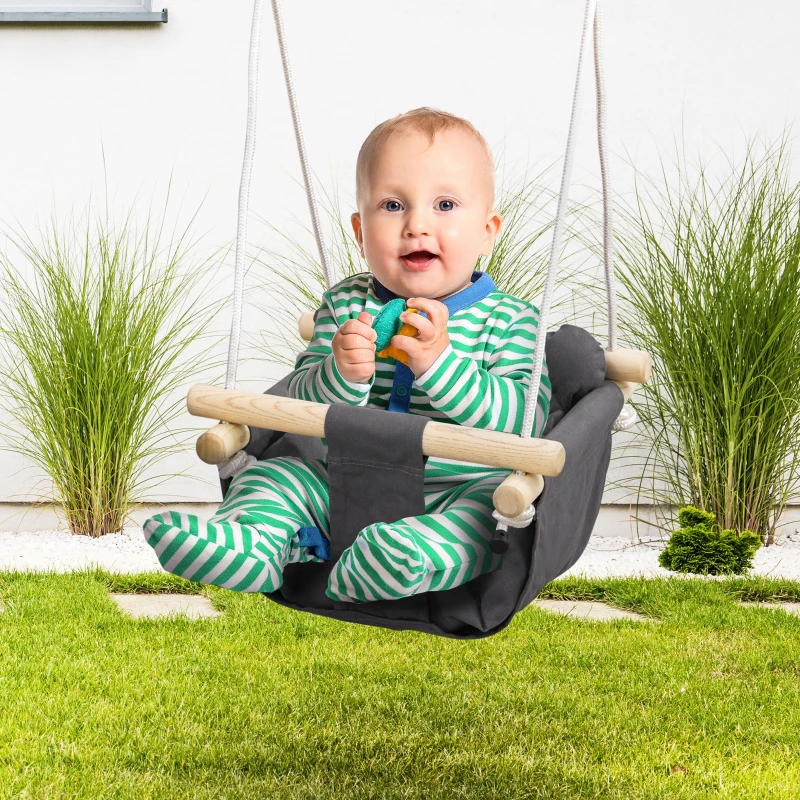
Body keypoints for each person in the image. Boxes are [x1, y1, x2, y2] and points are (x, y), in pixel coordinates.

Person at [143, 107, 551, 603]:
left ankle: (396, 560)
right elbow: (301, 402)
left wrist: (441, 366)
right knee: (280, 474)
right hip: (342, 483)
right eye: (393, 206)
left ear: (488, 231)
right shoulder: (345, 305)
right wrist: (340, 372)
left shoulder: (513, 321)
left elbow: (521, 424)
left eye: (445, 204)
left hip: (456, 491)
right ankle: (251, 543)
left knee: (481, 519)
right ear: (360, 232)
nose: (417, 225)